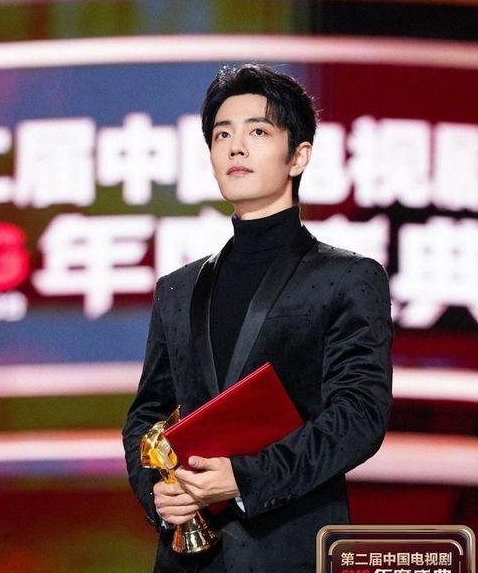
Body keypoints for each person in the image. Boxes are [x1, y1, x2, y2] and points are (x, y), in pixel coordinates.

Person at [123, 64, 393, 573]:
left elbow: (359, 415)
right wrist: (161, 495)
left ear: (299, 156)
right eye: (222, 135)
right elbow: (148, 413)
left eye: (258, 132)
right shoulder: (177, 290)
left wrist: (245, 479)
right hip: (189, 558)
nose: (236, 148)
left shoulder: (347, 278)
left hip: (289, 549)